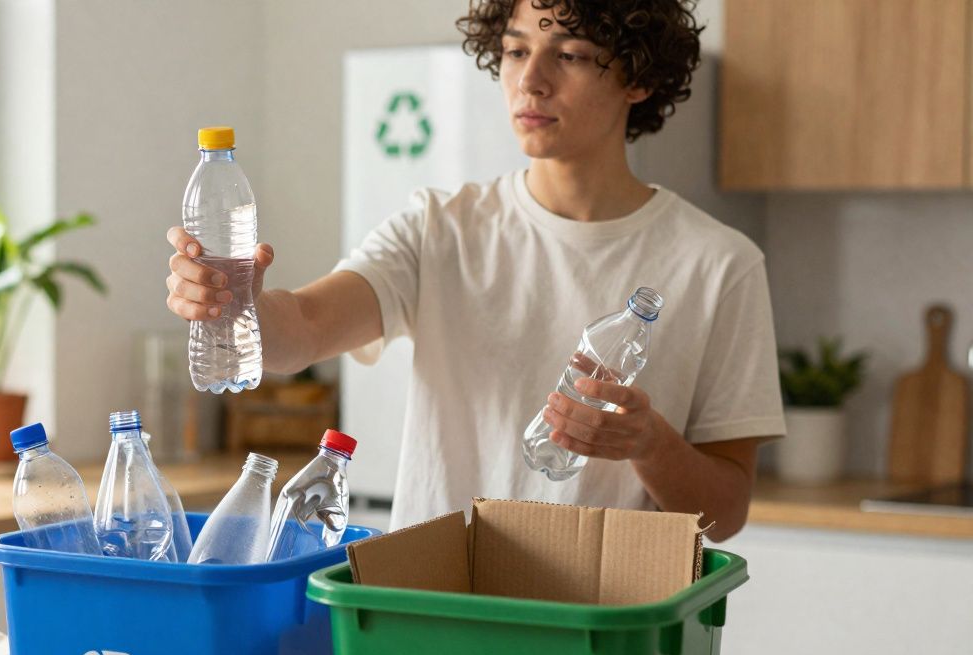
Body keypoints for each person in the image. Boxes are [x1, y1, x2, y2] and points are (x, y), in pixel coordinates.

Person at [162, 0, 785, 541]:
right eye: (516, 51)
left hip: (604, 626)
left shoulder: (719, 264)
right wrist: (236, 300)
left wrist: (649, 443)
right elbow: (302, 330)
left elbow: (724, 512)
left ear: (638, 79)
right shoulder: (440, 226)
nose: (531, 81)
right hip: (437, 603)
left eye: (568, 55)